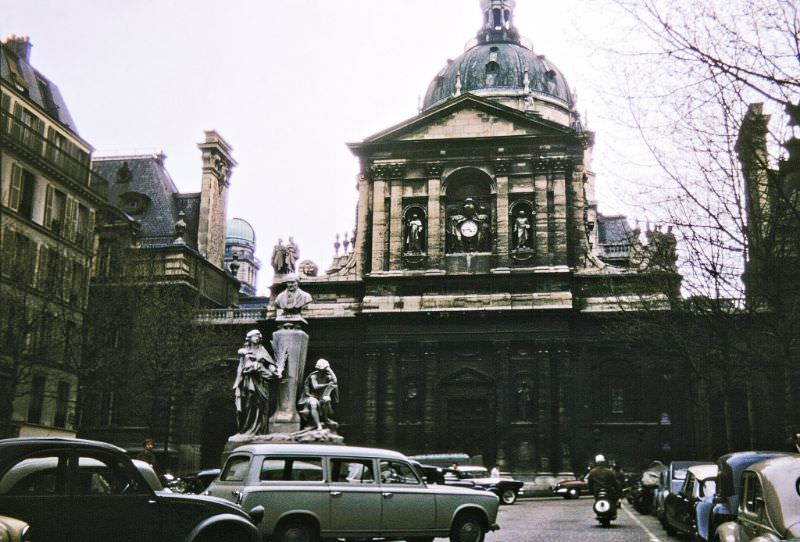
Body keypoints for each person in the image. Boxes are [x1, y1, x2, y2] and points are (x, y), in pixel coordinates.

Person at [233, 329, 279, 436]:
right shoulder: (245, 351)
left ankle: (261, 431)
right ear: (249, 338)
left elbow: (270, 363)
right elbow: (242, 368)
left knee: (263, 406)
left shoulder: (262, 350)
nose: (258, 337)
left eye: (259, 336)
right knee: (250, 405)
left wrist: (275, 370)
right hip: (250, 382)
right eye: (255, 336)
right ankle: (248, 429)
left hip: (262, 381)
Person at [297, 358, 339, 431]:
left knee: (327, 399)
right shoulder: (313, 376)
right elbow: (315, 387)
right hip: (312, 396)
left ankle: (326, 419)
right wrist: (326, 384)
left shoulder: (327, 375)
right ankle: (318, 424)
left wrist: (330, 370)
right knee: (313, 403)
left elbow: (335, 381)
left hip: (322, 396)